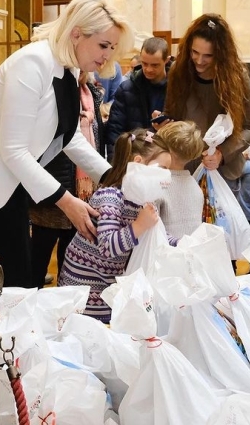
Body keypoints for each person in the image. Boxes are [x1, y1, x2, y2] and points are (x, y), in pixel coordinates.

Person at [0, 0, 133, 319]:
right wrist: (67, 202)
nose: (107, 56)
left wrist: (119, 178)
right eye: (104, 46)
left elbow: (68, 139)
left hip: (5, 185)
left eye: (112, 48)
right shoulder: (33, 63)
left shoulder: (67, 70)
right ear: (77, 33)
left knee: (12, 287)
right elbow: (13, 148)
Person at [57, 128, 173, 323]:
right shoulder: (111, 196)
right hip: (85, 291)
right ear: (138, 163)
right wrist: (139, 225)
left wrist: (181, 244)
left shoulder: (144, 201)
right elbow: (107, 246)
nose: (166, 177)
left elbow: (156, 235)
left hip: (109, 287)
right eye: (162, 169)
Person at [30, 71, 106, 288]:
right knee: (40, 250)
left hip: (82, 188)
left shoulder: (90, 94)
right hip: (54, 182)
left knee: (70, 252)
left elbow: (97, 137)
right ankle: (29, 299)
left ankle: (65, 303)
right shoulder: (51, 92)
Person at [164, 13, 250, 182]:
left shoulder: (237, 76)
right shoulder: (178, 72)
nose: (199, 60)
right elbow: (171, 115)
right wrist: (164, 124)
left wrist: (222, 153)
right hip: (184, 170)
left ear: (222, 55)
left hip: (224, 171)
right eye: (195, 52)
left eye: (208, 56)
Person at [106, 37, 171, 158]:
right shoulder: (126, 89)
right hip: (134, 158)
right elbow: (114, 133)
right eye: (144, 63)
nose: (148, 69)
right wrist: (115, 168)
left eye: (155, 65)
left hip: (167, 158)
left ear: (166, 60)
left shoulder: (178, 88)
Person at [153, 120, 206, 238]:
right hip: (192, 251)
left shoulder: (158, 184)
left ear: (169, 152)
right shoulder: (194, 185)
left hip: (166, 252)